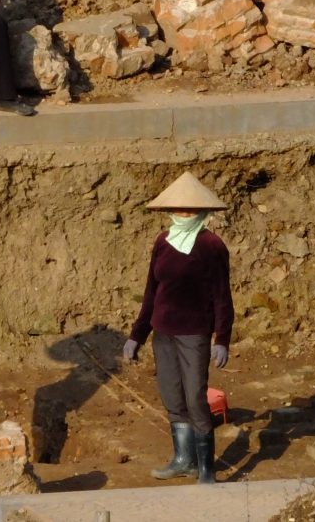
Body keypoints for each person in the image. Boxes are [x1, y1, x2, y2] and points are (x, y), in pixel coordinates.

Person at [123, 172, 233, 484]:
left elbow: (222, 297)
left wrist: (222, 338)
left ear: (202, 212)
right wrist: (136, 336)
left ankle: (206, 470)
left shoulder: (212, 246)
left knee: (196, 398)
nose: (184, 215)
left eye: (190, 210)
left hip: (194, 333)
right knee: (172, 396)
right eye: (179, 210)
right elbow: (151, 292)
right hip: (163, 332)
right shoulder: (163, 241)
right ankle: (183, 459)